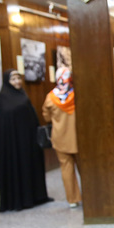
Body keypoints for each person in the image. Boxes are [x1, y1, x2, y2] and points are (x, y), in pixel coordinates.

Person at [0, 70, 52, 212]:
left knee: (31, 166)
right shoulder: (3, 98)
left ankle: (36, 196)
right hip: (13, 144)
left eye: (18, 78)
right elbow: (4, 123)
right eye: (13, 79)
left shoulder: (22, 94)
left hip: (28, 140)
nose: (17, 82)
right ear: (8, 81)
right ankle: (19, 200)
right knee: (18, 167)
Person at [42, 67, 81, 208]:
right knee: (84, 168)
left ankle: (72, 199)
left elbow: (46, 116)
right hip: (78, 138)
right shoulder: (76, 96)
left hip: (60, 138)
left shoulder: (50, 97)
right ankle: (89, 196)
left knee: (66, 168)